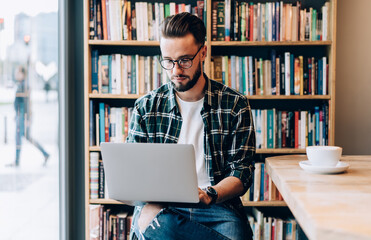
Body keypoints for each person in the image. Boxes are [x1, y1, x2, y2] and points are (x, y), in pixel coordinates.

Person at [126, 12, 255, 240]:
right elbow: (133, 174)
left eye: (184, 60)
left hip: (216, 206)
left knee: (233, 234)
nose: (176, 70)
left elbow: (241, 173)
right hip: (163, 206)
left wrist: (209, 194)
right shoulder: (145, 107)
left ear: (203, 52)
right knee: (155, 221)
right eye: (168, 61)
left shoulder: (234, 104)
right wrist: (148, 204)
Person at [8, 65, 49, 167]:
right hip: (20, 115)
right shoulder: (22, 84)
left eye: (18, 73)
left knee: (19, 137)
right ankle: (45, 154)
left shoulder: (24, 85)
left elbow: (26, 103)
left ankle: (17, 160)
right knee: (26, 137)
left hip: (22, 115)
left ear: (22, 74)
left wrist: (26, 117)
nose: (16, 75)